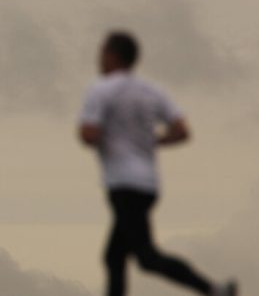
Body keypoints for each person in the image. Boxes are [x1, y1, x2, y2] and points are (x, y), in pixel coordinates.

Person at [78, 32, 237, 296]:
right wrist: (151, 141)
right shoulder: (152, 91)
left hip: (123, 183)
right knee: (114, 256)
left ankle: (213, 289)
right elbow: (182, 131)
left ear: (113, 56)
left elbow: (88, 133)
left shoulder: (101, 89)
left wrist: (111, 138)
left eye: (103, 53)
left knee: (146, 257)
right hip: (148, 184)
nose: (99, 59)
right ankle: (213, 289)